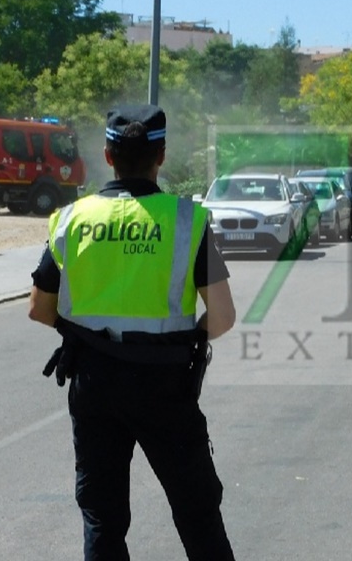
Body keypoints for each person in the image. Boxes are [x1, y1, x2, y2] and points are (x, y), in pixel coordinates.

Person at [27, 104, 238, 561]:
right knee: (198, 516)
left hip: (94, 385)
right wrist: (189, 337)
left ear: (107, 155)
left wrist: (86, 334)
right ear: (160, 155)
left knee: (102, 518)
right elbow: (221, 317)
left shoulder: (72, 219)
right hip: (166, 387)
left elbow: (39, 310)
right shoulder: (186, 220)